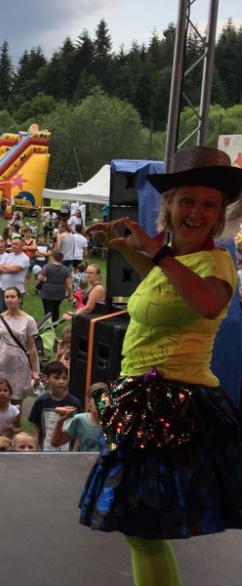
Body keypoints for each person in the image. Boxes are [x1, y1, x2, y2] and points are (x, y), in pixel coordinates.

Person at [77, 147, 242, 584]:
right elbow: (160, 281)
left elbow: (207, 303)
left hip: (174, 407)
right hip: (143, 400)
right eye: (187, 200)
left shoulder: (217, 262)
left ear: (220, 215)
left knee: (141, 527)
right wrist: (125, 247)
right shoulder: (174, 261)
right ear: (168, 205)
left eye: (209, 204)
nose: (197, 212)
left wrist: (158, 252)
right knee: (140, 530)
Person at [0, 286, 40, 405]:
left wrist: (34, 371)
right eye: (7, 297)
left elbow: (32, 347)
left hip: (20, 362)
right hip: (2, 360)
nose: (9, 300)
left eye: (12, 297)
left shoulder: (29, 320)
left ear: (19, 299)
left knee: (17, 398)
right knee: (0, 396)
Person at [28, 360, 81, 450]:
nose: (61, 382)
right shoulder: (41, 401)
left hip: (67, 452)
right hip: (45, 450)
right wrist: (36, 447)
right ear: (47, 379)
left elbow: (79, 429)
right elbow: (37, 426)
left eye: (64, 378)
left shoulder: (74, 403)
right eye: (56, 378)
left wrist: (74, 452)